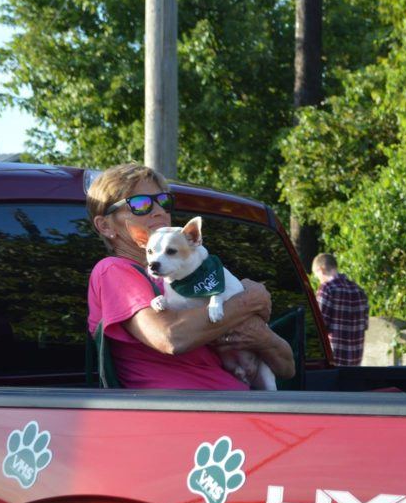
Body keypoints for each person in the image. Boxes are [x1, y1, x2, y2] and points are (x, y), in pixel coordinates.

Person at [86, 163, 295, 389]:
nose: (158, 211)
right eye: (140, 204)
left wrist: (260, 336)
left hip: (233, 408)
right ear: (105, 226)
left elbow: (287, 368)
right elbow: (171, 338)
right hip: (182, 415)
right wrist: (248, 302)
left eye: (164, 201)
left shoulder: (190, 274)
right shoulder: (114, 270)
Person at [312, 253, 369, 366]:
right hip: (355, 362)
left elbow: (319, 326)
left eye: (317, 276)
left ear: (321, 269)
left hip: (333, 361)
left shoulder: (327, 289)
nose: (319, 281)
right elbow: (365, 325)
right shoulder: (359, 290)